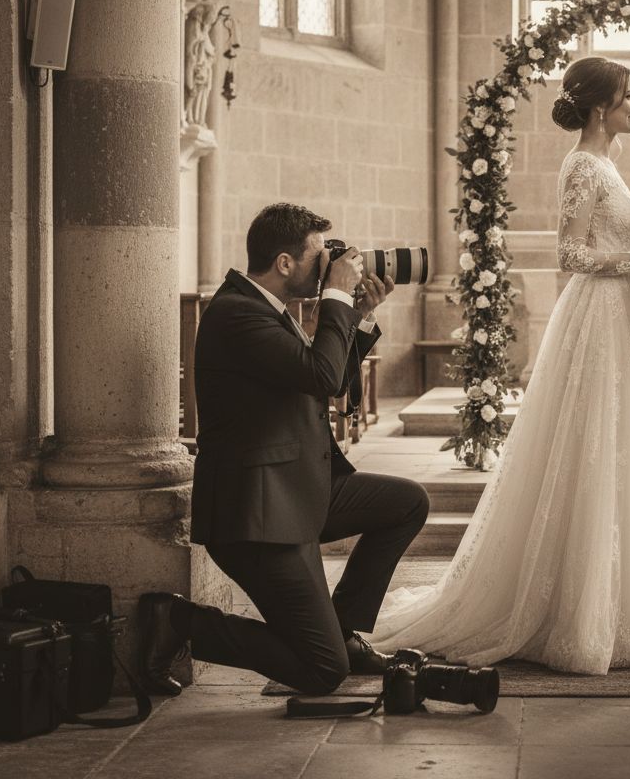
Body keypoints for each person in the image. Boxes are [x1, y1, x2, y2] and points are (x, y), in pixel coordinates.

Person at [369, 57, 630, 674]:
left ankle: (617, 599)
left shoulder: (608, 165)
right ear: (602, 108)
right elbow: (568, 253)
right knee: (589, 444)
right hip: (597, 316)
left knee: (621, 446)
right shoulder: (581, 165)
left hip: (619, 316)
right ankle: (567, 607)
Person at [137, 204, 430, 695]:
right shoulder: (235, 314)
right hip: (257, 518)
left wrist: (356, 317)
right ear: (285, 263)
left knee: (407, 503)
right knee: (322, 671)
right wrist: (335, 293)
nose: (326, 266)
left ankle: (343, 629)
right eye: (318, 257)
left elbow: (328, 384)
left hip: (297, 491)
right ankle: (182, 623)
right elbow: (320, 373)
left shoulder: (266, 310)